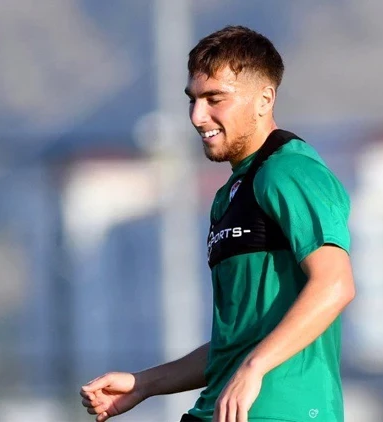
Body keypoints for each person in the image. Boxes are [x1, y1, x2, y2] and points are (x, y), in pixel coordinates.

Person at [79, 25, 356, 422]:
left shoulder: (290, 171)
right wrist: (144, 384)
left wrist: (254, 368)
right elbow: (236, 340)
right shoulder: (230, 194)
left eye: (215, 99)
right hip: (220, 410)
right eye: (193, 99)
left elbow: (335, 284)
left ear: (264, 99)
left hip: (282, 412)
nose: (197, 116)